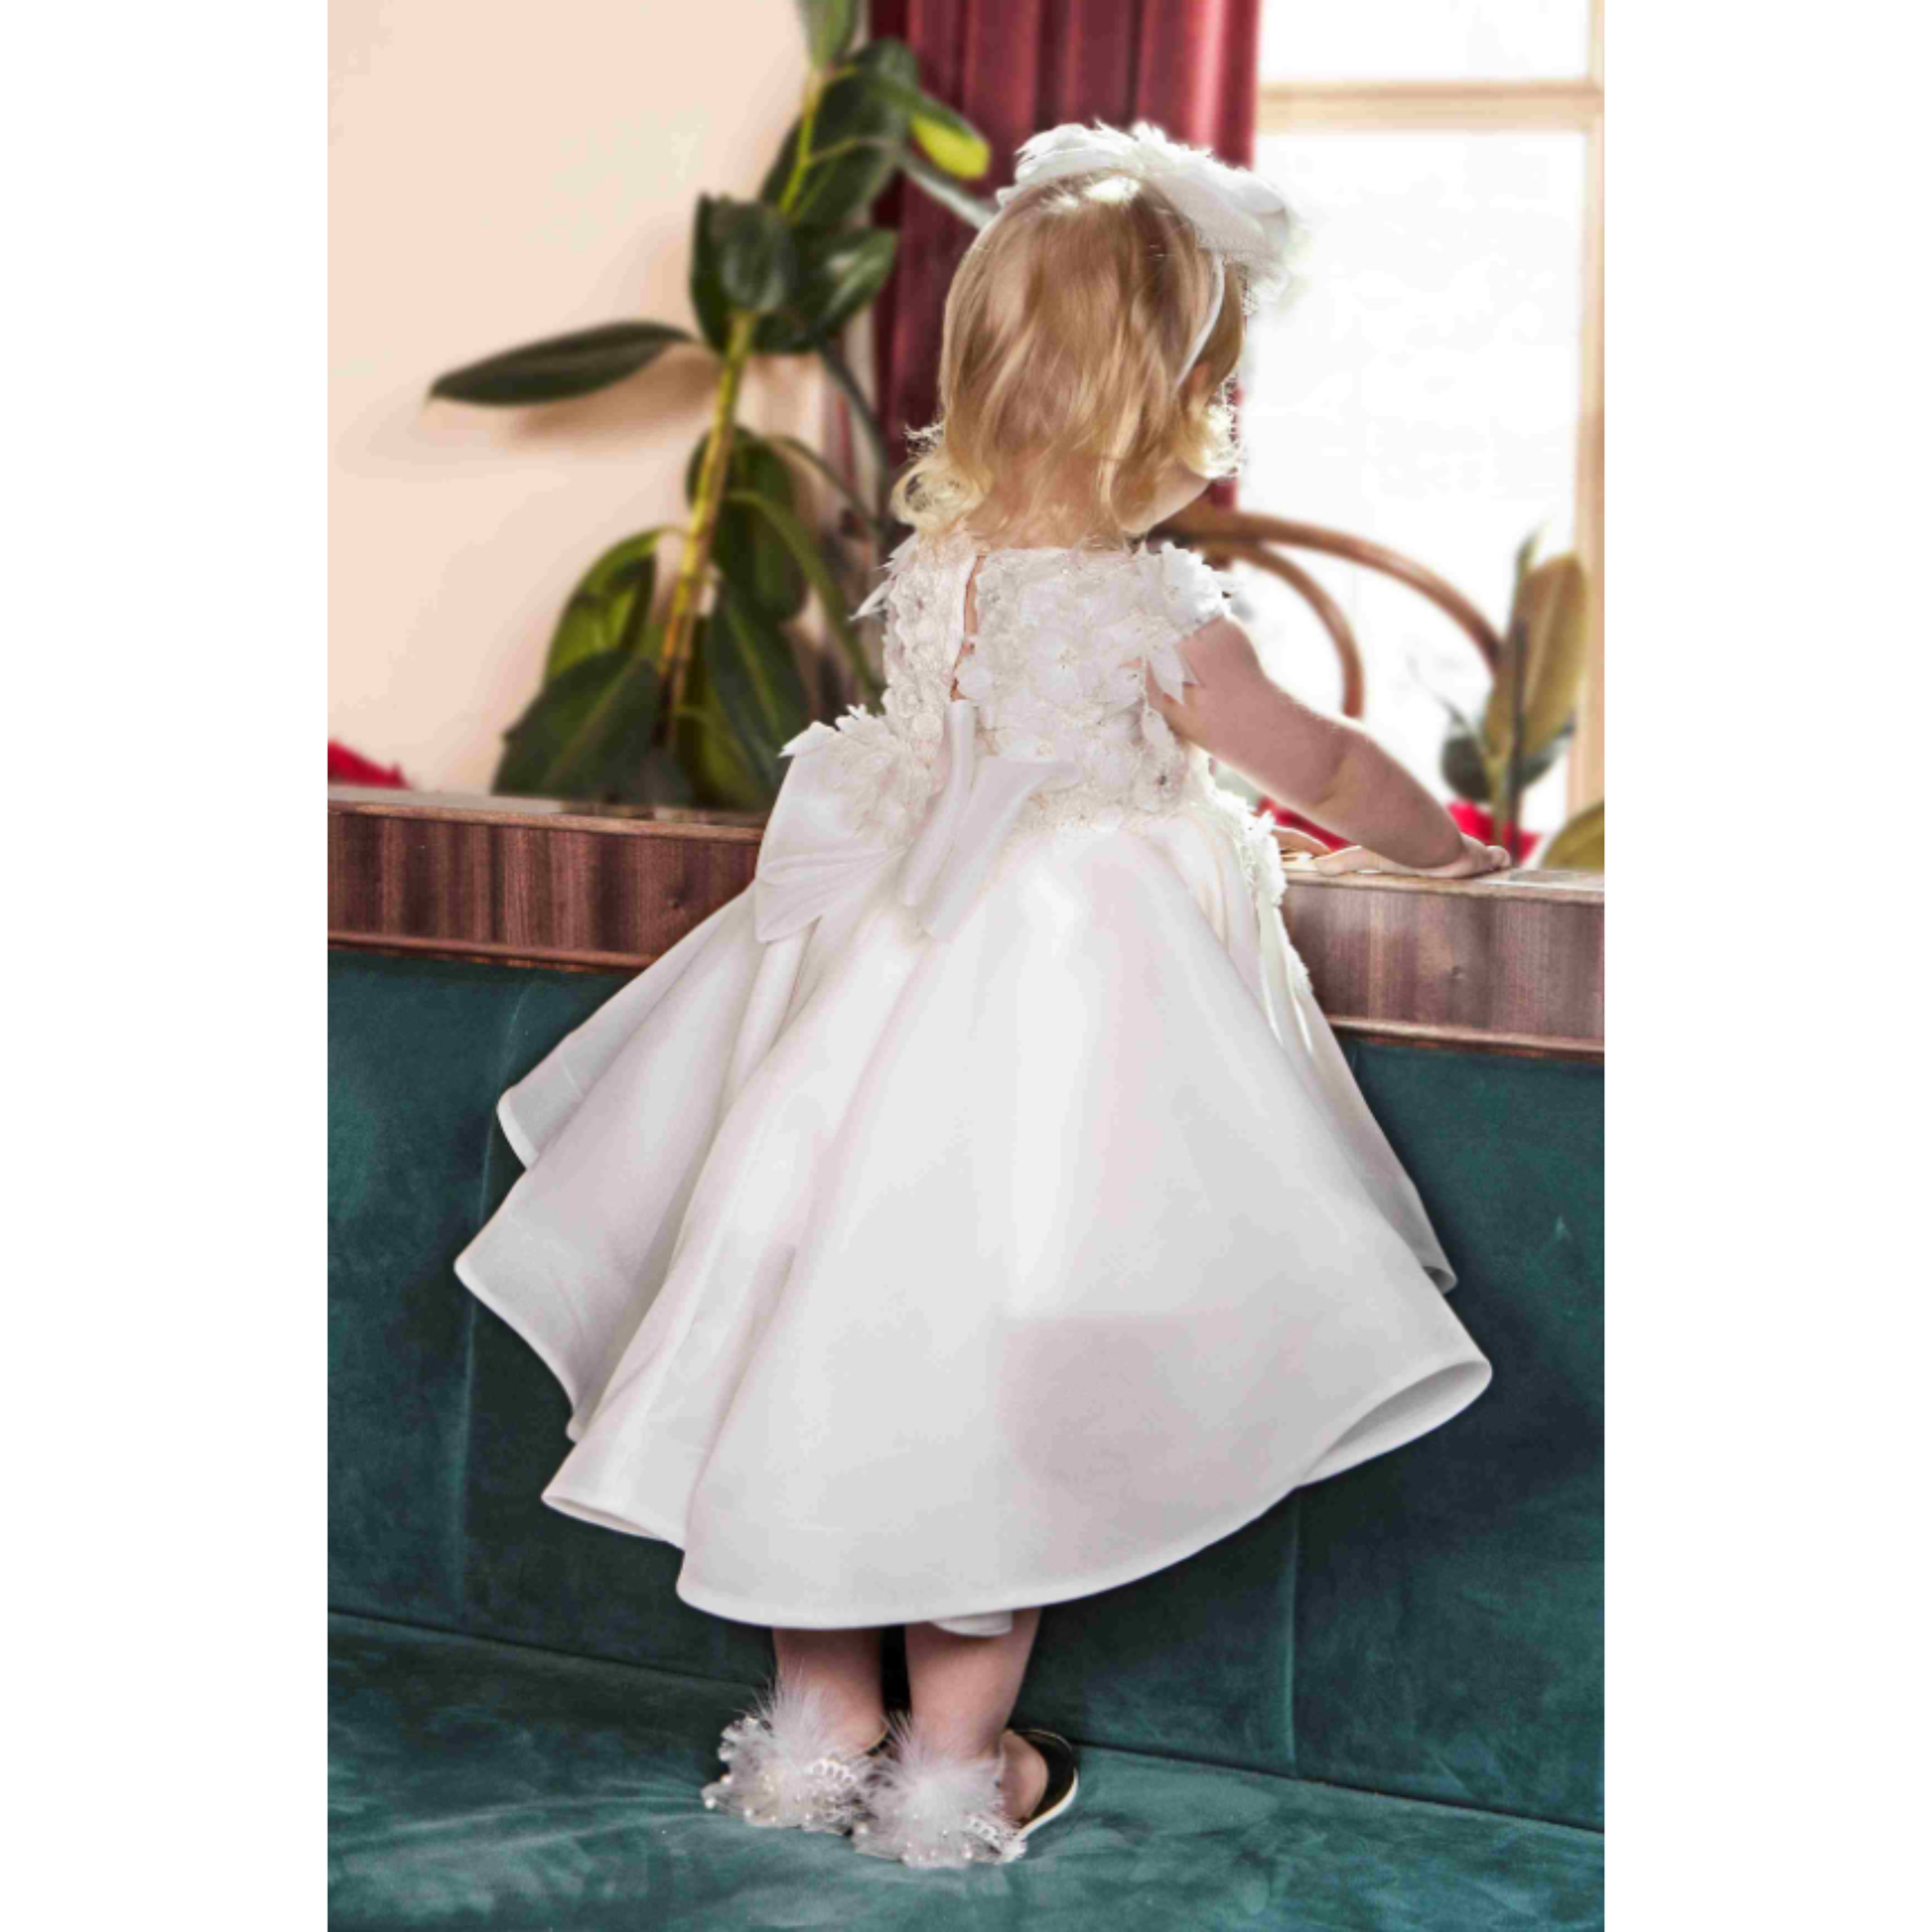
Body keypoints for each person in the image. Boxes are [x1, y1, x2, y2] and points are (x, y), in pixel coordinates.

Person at [454, 120, 1504, 1871]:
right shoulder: (1159, 612)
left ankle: (813, 1732)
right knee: (991, 1381)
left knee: (807, 1337)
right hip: (1050, 1029)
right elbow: (1319, 762)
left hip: (865, 993)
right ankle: (953, 1769)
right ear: (1169, 397)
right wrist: (1446, 849)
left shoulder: (934, 575)